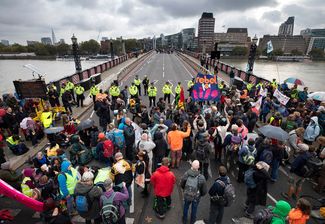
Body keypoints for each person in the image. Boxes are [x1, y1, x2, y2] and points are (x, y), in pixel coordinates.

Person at [180, 160, 207, 224]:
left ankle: (184, 219)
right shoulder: (201, 177)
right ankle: (192, 221)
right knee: (194, 209)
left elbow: (182, 183)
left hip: (187, 194)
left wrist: (185, 189)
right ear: (199, 167)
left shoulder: (186, 174)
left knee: (186, 206)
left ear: (191, 166)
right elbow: (204, 190)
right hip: (196, 196)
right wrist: (201, 194)